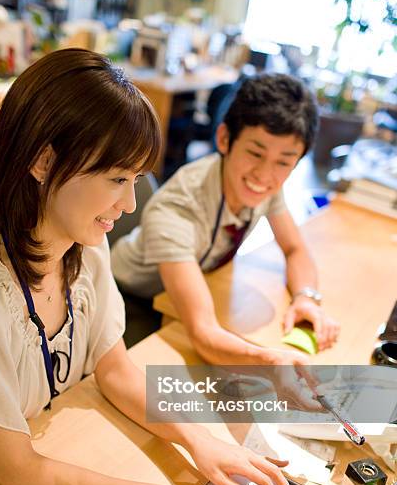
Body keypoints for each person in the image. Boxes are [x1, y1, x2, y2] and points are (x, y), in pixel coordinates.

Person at [0, 48, 300, 485]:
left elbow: (115, 371)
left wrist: (200, 441)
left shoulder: (85, 249)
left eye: (135, 180)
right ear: (43, 161)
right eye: (117, 179)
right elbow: (20, 474)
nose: (130, 204)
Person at [111, 73, 340, 410]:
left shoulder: (265, 189)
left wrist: (306, 298)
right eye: (255, 153)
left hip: (183, 294)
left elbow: (295, 249)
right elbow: (203, 333)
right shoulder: (177, 207)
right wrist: (270, 363)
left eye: (284, 162)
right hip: (130, 300)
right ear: (224, 138)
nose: (265, 175)